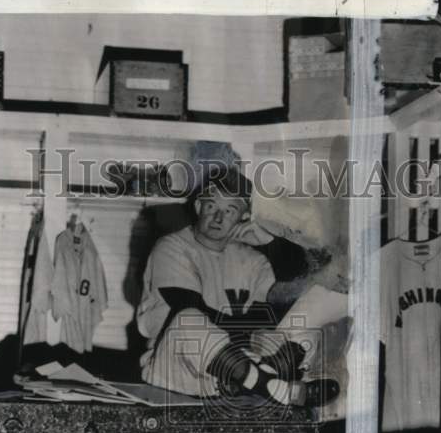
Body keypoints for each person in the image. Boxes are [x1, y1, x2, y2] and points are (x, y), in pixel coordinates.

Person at [136, 166, 339, 406]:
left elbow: (286, 299)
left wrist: (271, 241)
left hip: (235, 370)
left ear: (244, 217)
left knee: (302, 326)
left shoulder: (253, 259)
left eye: (230, 210)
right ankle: (271, 384)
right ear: (199, 207)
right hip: (179, 369)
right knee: (188, 319)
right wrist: (252, 338)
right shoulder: (172, 246)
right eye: (211, 207)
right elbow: (190, 306)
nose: (218, 218)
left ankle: (261, 382)